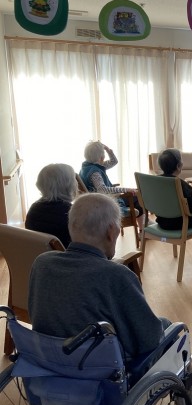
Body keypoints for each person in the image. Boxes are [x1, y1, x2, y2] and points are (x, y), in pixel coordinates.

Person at [28, 193, 167, 364]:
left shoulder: (42, 263)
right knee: (167, 326)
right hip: (105, 370)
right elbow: (149, 339)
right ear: (111, 231)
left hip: (50, 363)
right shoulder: (116, 275)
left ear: (71, 227)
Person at [79, 141, 144, 231]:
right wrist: (126, 189)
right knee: (136, 196)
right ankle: (142, 228)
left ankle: (143, 226)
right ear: (101, 157)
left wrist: (109, 151)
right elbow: (103, 190)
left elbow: (114, 161)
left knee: (135, 196)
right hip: (105, 202)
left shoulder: (88, 166)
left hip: (100, 200)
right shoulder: (95, 172)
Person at [25, 163, 77, 247]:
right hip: (66, 254)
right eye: (74, 179)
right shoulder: (72, 213)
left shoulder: (34, 209)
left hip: (39, 254)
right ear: (68, 185)